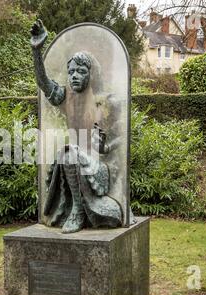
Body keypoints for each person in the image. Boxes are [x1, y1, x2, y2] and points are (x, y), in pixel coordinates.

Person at [31, 20, 124, 233]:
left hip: (102, 168)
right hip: (73, 159)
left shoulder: (107, 101)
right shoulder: (66, 97)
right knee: (68, 154)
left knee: (69, 155)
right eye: (71, 71)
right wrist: (37, 51)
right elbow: (44, 83)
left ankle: (79, 211)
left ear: (92, 75)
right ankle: (76, 209)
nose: (74, 75)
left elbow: (122, 139)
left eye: (80, 71)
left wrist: (105, 147)